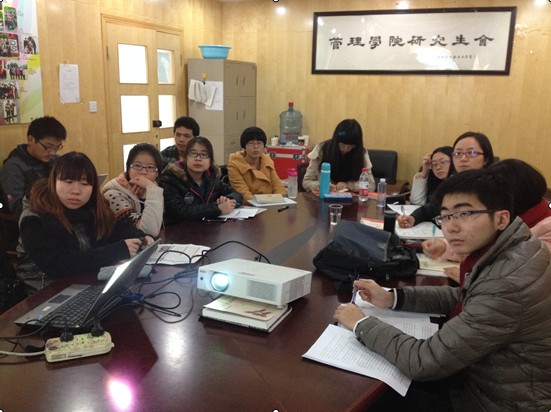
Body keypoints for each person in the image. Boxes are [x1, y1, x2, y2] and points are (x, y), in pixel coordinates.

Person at [334, 169, 551, 411]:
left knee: (358, 398)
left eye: (465, 213)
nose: (451, 227)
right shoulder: (512, 249)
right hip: (484, 380)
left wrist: (362, 324)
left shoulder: (506, 283)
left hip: (490, 402)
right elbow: (463, 296)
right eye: (446, 216)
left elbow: (424, 361)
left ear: (501, 219)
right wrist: (392, 298)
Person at [19, 152, 152, 290]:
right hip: (44, 290)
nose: (76, 191)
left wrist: (140, 236)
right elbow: (55, 265)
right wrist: (116, 251)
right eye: (68, 182)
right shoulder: (34, 217)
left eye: (84, 184)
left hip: (87, 281)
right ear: (53, 182)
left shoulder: (92, 207)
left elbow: (116, 228)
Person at [426, 158, 551, 284]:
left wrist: (473, 280)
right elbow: (486, 247)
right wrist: (445, 247)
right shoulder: (516, 219)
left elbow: (516, 278)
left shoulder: (544, 233)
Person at [398, 131, 494, 228]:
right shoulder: (453, 184)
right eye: (458, 153)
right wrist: (413, 218)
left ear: (486, 159)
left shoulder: (493, 187)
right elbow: (429, 209)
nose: (463, 158)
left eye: (471, 153)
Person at [159, 136, 243, 223]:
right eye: (193, 153)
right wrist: (217, 208)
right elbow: (178, 211)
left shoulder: (212, 177)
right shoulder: (171, 178)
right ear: (185, 158)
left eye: (203, 154)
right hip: (179, 229)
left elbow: (237, 195)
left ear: (210, 160)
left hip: (208, 228)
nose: (198, 158)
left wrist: (227, 200)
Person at [0, 116, 67, 216]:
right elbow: (17, 207)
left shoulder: (56, 160)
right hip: (34, 219)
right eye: (48, 147)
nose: (52, 152)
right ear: (31, 140)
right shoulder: (13, 167)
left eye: (57, 147)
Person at [102, 143, 164, 237]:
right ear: (128, 169)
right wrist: (153, 189)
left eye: (150, 167)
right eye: (137, 166)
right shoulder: (113, 194)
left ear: (157, 173)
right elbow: (149, 231)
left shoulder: (152, 187)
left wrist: (152, 188)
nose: (143, 172)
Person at [302, 119, 375, 193]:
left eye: (350, 146)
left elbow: (371, 186)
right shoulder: (322, 150)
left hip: (351, 198)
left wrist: (349, 185)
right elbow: (306, 182)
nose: (345, 149)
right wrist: (322, 185)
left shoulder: (361, 154)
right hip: (324, 196)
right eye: (342, 144)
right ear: (335, 141)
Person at [227, 126, 286, 204]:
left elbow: (278, 186)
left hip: (271, 204)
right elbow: (243, 194)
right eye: (251, 143)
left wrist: (278, 201)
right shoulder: (235, 164)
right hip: (250, 206)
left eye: (259, 143)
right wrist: (266, 202)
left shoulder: (267, 160)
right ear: (244, 146)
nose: (256, 147)